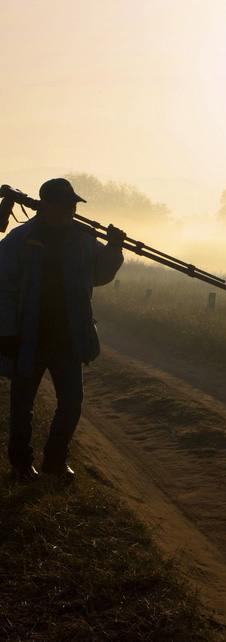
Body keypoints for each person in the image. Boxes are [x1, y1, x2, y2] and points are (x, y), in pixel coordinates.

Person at [0, 178, 125, 483]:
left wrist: (113, 248)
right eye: (66, 204)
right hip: (26, 336)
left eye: (73, 204)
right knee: (22, 405)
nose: (71, 209)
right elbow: (3, 289)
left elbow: (99, 274)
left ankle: (55, 461)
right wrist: (6, 334)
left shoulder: (82, 239)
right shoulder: (18, 240)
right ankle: (20, 464)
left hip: (68, 335)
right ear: (47, 206)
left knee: (71, 402)